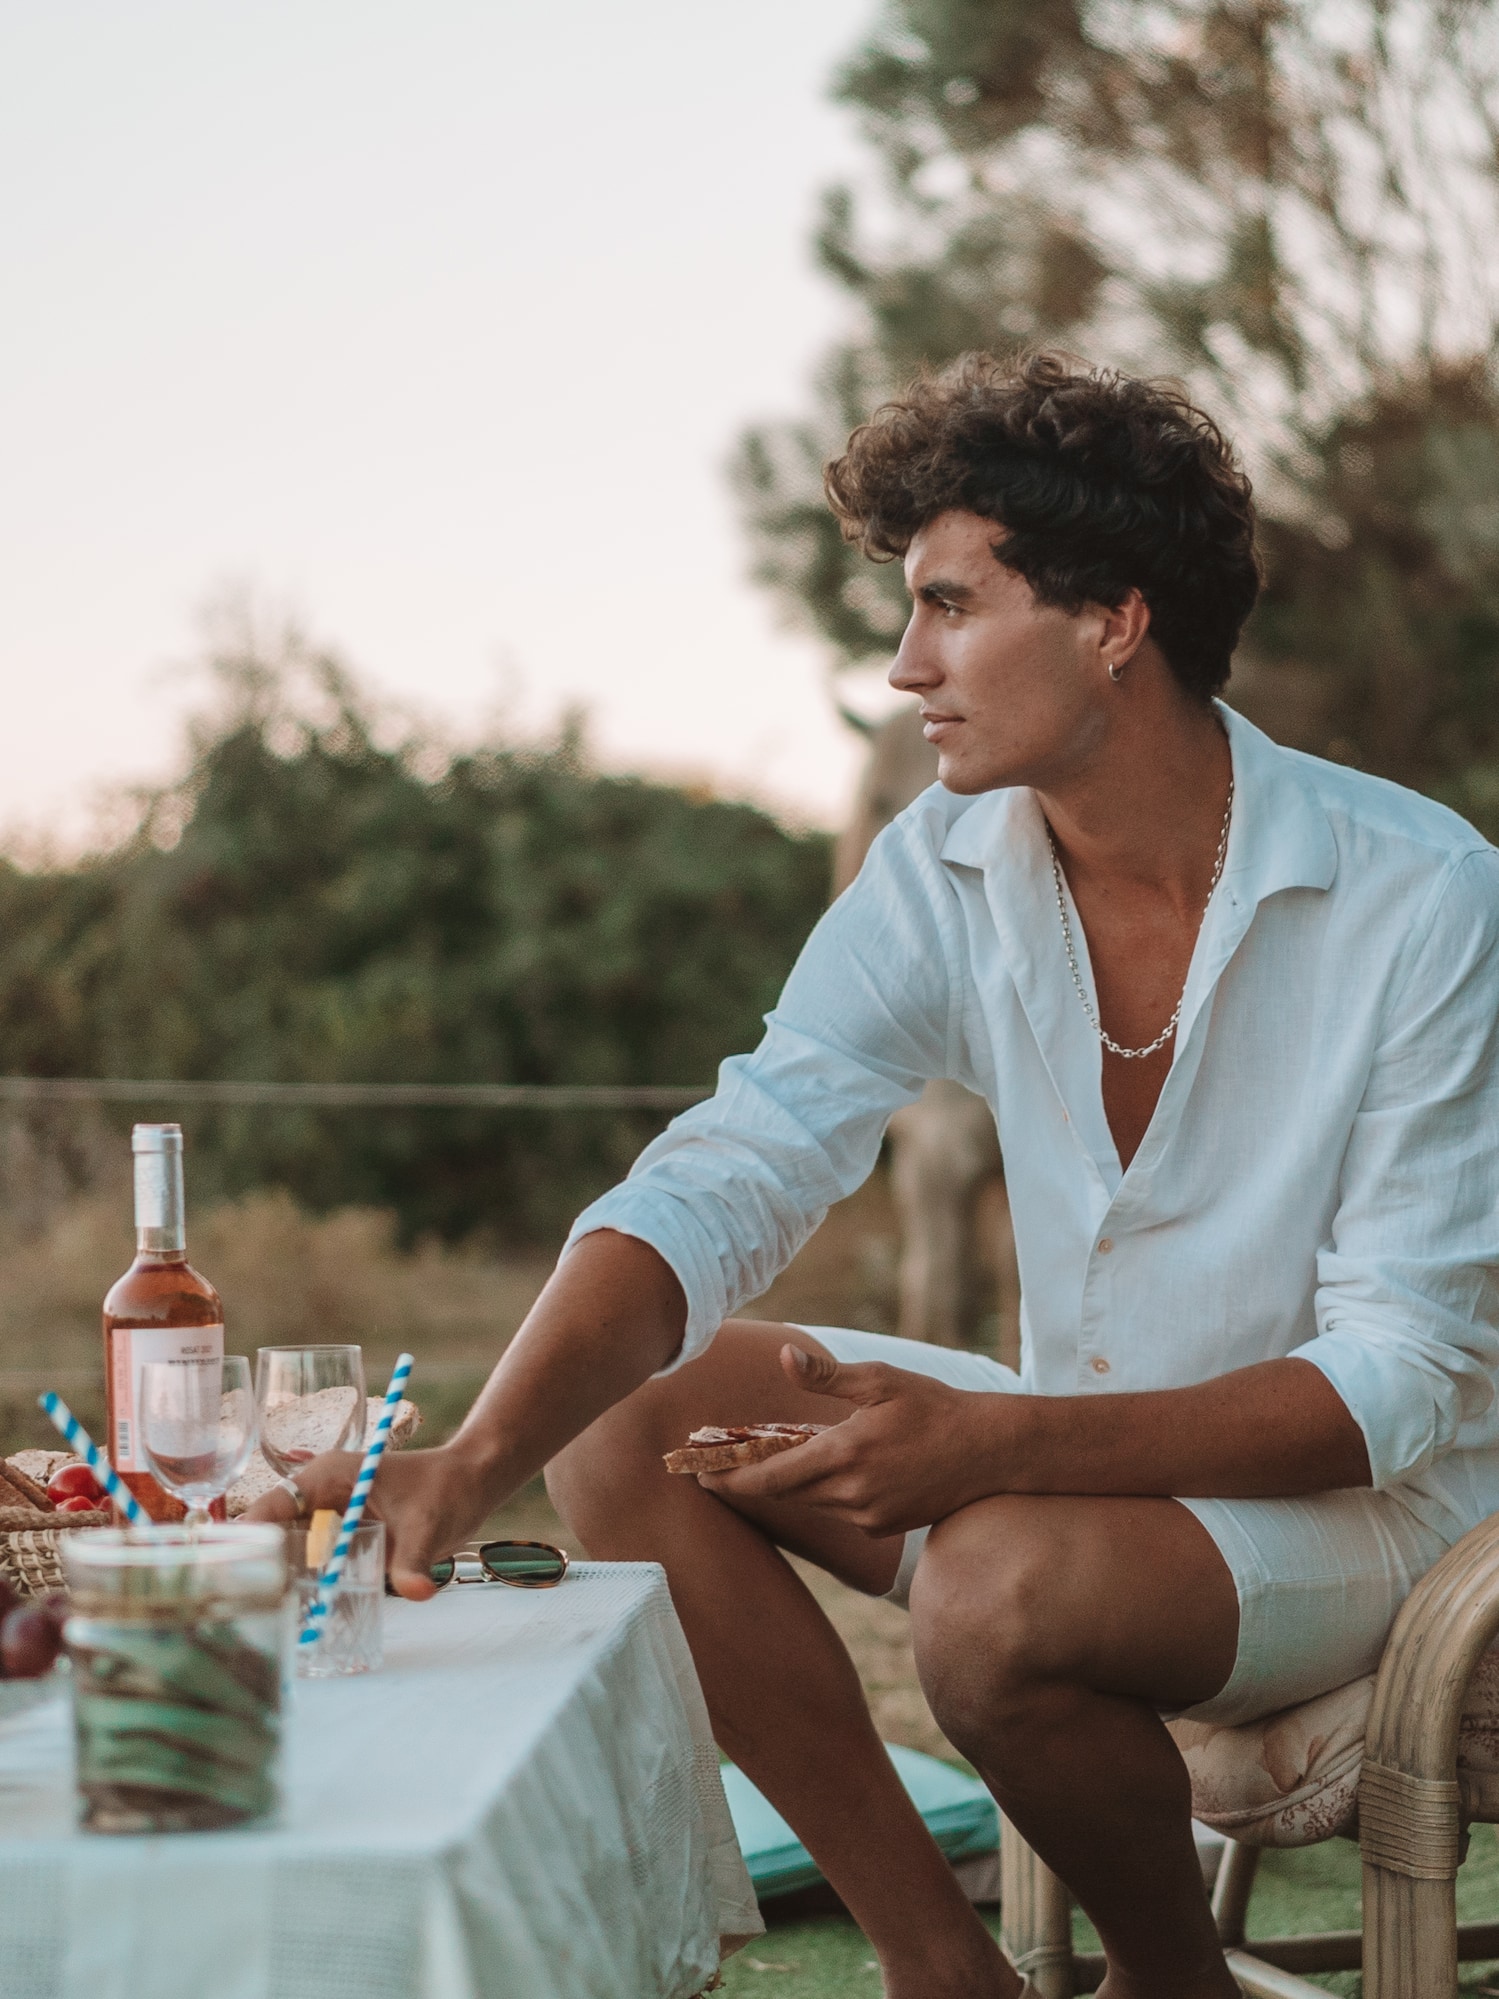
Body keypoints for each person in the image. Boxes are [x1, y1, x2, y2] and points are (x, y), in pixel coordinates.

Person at [251, 352, 1499, 1999]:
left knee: (988, 1594)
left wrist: (997, 1446)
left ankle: (1170, 1985)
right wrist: (475, 1462)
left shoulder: (1422, 896)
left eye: (949, 606)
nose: (907, 665)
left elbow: (1400, 1379)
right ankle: (939, 1969)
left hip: (1368, 1517)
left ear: (1113, 622)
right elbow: (742, 1154)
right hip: (1074, 1455)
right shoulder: (945, 866)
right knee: (623, 1426)